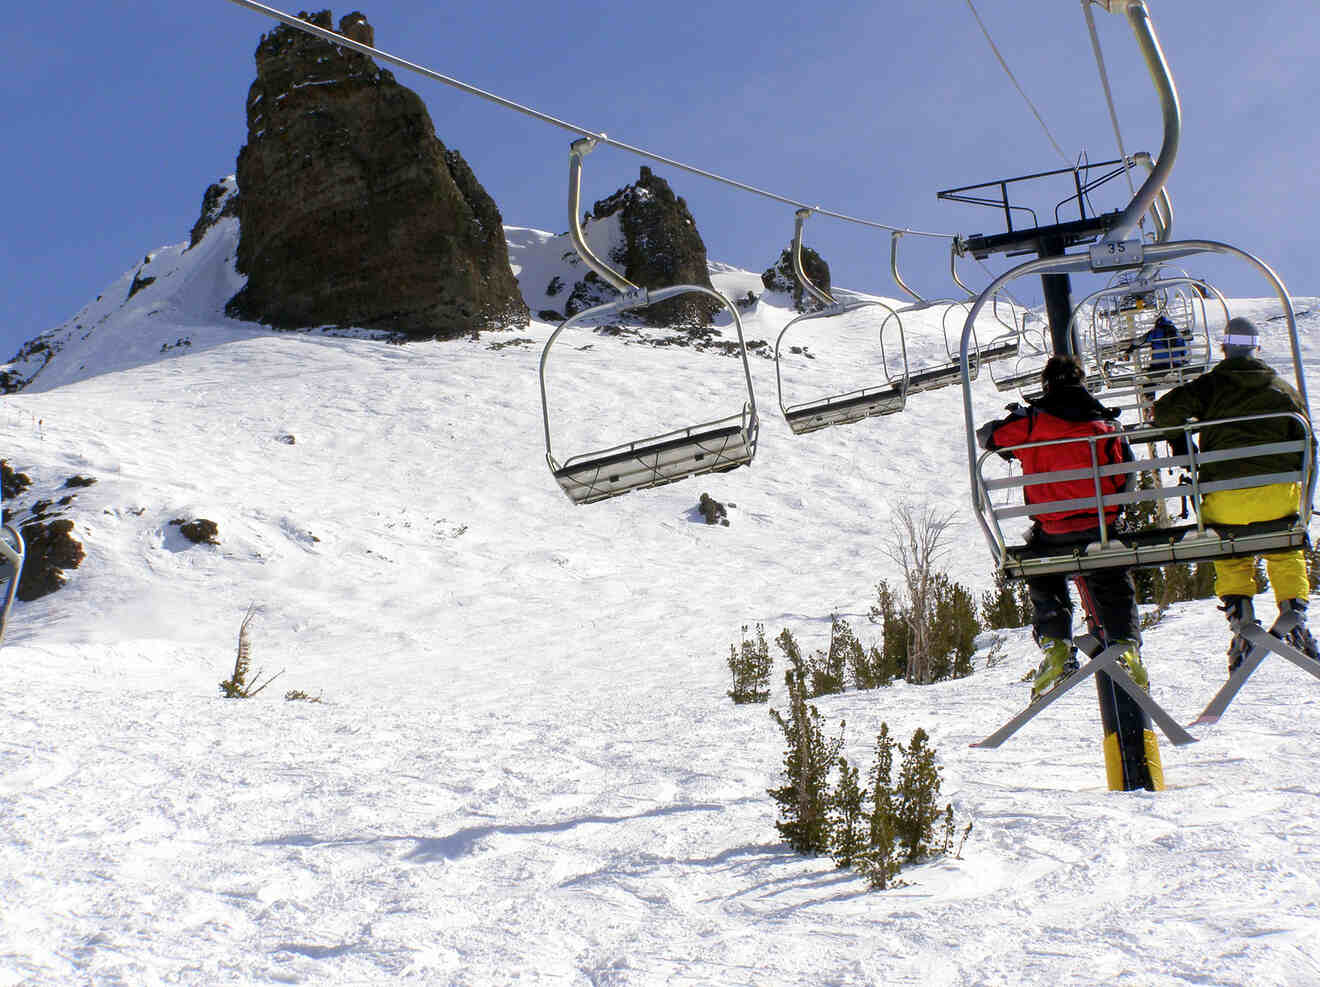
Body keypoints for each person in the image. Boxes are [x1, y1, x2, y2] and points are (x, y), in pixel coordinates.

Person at [1152, 316, 1319, 668]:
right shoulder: (1283, 388)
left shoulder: (1211, 385)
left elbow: (1165, 410)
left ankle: (1241, 618)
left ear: (1225, 348)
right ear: (1257, 347)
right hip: (1279, 498)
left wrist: (1183, 446)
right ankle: (1294, 609)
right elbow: (1309, 446)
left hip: (1225, 500)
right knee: (1284, 544)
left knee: (1230, 549)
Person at [977, 354, 1145, 701]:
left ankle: (1055, 643)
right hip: (1101, 527)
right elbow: (1126, 471)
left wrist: (1017, 426)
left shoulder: (1034, 423)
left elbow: (988, 437)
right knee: (1110, 574)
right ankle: (1125, 643)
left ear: (1046, 384)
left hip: (1055, 529)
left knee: (1043, 569)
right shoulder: (1106, 423)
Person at [1126, 314, 1190, 375]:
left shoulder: (1154, 332)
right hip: (1175, 363)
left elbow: (1140, 341)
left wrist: (1131, 347)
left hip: (1158, 364)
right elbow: (1183, 348)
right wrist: (1183, 359)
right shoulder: (1177, 333)